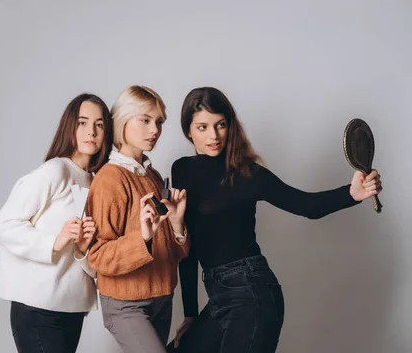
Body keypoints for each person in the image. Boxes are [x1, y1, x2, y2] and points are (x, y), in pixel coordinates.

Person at [168, 87, 383, 353]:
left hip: (252, 294)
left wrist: (352, 194)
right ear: (188, 130)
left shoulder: (247, 173)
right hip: (218, 297)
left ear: (230, 126)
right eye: (202, 127)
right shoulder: (182, 170)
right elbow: (186, 249)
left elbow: (308, 205)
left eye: (220, 125)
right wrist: (190, 313)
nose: (213, 135)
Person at [0, 93, 113, 353]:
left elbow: (89, 260)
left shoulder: (96, 182)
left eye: (99, 124)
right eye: (82, 122)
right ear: (70, 126)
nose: (91, 132)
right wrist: (54, 242)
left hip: (72, 309)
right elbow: (4, 223)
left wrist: (81, 248)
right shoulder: (55, 170)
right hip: (37, 309)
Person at [86, 85, 190, 353]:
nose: (154, 130)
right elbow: (97, 255)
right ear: (122, 121)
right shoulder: (110, 178)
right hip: (126, 303)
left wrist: (177, 226)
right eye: (144, 120)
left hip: (162, 297)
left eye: (158, 122)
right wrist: (143, 238)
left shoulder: (152, 176)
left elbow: (173, 252)